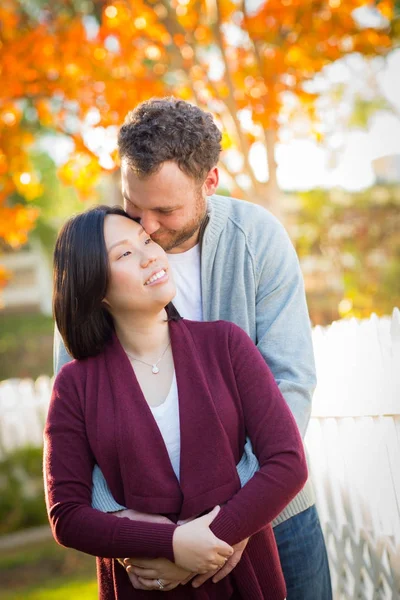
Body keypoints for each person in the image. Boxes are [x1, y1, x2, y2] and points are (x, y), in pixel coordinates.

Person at [54, 98, 332, 599]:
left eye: (165, 210)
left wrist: (222, 525)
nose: (148, 227)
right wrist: (137, 530)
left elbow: (290, 383)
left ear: (210, 182)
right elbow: (78, 421)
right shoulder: (99, 260)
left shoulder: (257, 240)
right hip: (145, 538)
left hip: (273, 513)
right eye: (134, 205)